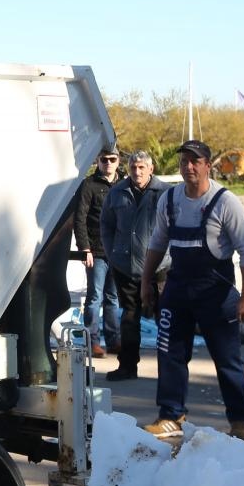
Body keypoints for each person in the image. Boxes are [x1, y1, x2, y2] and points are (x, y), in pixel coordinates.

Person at [139, 139, 244, 442]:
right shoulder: (170, 199)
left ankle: (240, 421)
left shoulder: (225, 201)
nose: (189, 167)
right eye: (184, 162)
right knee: (169, 353)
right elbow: (157, 243)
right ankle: (170, 416)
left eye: (195, 161)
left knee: (227, 358)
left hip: (215, 290)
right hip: (178, 288)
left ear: (208, 165)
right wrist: (146, 282)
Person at [99, 150, 169, 382]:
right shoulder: (117, 192)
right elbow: (106, 226)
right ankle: (127, 366)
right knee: (129, 318)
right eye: (133, 168)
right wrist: (113, 254)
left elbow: (176, 228)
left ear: (151, 169)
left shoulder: (165, 193)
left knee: (165, 318)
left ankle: (170, 369)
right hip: (125, 267)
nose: (137, 172)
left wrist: (169, 257)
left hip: (160, 270)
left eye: (141, 167)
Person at [73, 144, 121, 358]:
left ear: (118, 161)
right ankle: (92, 341)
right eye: (104, 160)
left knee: (113, 298)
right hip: (96, 250)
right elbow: (80, 218)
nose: (108, 163)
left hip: (119, 252)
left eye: (112, 159)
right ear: (98, 161)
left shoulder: (124, 184)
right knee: (95, 297)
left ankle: (114, 340)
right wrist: (85, 248)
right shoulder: (89, 185)